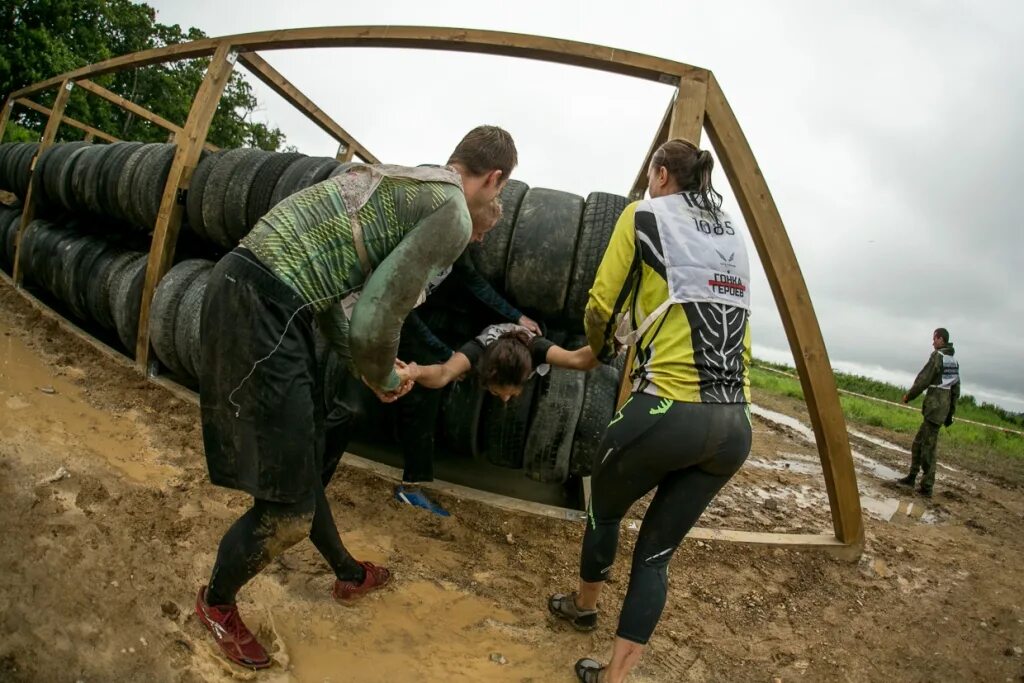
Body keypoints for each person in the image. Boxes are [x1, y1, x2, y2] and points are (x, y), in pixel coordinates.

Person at [194, 125, 517, 670]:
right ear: (495, 179)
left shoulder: (405, 183)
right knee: (290, 509)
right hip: (266, 307)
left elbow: (330, 305)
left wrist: (362, 367)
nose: (474, 241)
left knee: (302, 468)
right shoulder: (454, 213)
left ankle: (347, 572)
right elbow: (375, 319)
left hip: (255, 291)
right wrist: (384, 376)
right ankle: (216, 604)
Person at [547, 138, 753, 683]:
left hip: (668, 408)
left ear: (661, 175)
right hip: (736, 423)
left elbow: (599, 303)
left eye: (650, 176)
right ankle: (615, 677)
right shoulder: (730, 232)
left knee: (604, 510)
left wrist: (602, 349)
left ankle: (585, 606)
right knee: (656, 553)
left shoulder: (645, 214)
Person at [393, 198, 541, 516]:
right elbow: (402, 307)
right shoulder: (429, 241)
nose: (482, 240)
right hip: (391, 315)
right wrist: (445, 354)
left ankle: (411, 483)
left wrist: (516, 316)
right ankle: (409, 488)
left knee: (430, 386)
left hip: (412, 314)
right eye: (481, 231)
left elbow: (475, 283)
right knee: (420, 398)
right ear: (466, 219)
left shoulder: (456, 248)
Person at [406, 322, 598, 396]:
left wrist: (615, 340)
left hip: (530, 327)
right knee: (459, 372)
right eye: (498, 393)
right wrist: (414, 372)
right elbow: (443, 374)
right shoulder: (477, 350)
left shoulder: (537, 348)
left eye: (509, 394)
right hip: (485, 328)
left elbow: (579, 360)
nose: (505, 400)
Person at [895, 328, 960, 497]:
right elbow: (955, 390)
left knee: (928, 449)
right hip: (940, 410)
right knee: (918, 444)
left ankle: (927, 486)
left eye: (934, 339)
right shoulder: (952, 360)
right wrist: (950, 413)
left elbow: (924, 378)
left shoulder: (938, 357)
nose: (933, 342)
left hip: (934, 409)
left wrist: (910, 395)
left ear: (941, 339)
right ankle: (912, 477)